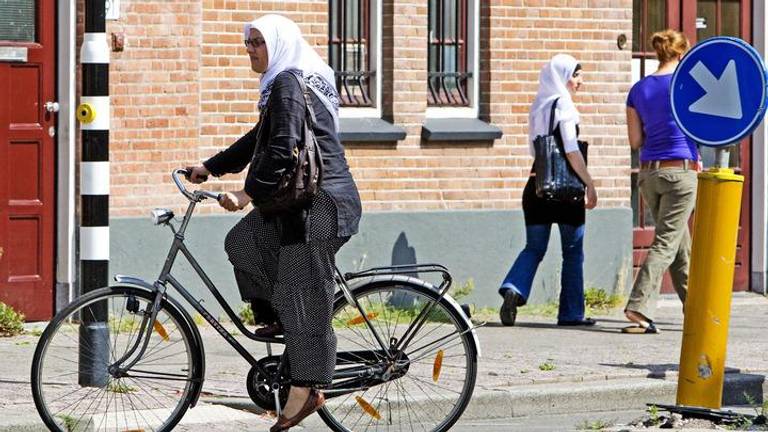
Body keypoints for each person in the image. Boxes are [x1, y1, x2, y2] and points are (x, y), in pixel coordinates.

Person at [187, 14, 362, 431]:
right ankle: (286, 317)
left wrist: (247, 193)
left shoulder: (288, 83)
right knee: (243, 243)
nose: (250, 50)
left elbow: (282, 149)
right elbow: (259, 138)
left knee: (301, 289)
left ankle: (308, 387)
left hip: (322, 204)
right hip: (296, 202)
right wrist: (210, 167)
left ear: (279, 43)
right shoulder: (285, 83)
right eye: (247, 42)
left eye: (257, 43)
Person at [498, 54, 598, 327]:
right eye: (576, 75)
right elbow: (570, 149)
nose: (580, 81)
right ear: (563, 76)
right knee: (573, 251)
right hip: (565, 192)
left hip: (537, 187)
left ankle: (513, 288)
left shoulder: (538, 106)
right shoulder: (564, 105)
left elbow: (535, 150)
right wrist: (589, 181)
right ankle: (570, 313)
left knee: (534, 247)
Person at [623, 30, 695, 334]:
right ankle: (638, 307)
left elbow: (636, 140)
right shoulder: (687, 87)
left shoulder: (638, 90)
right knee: (667, 241)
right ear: (680, 54)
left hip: (650, 175)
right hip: (680, 172)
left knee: (680, 244)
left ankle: (696, 309)